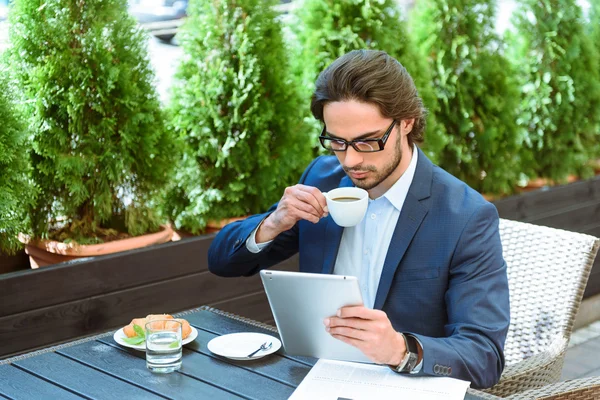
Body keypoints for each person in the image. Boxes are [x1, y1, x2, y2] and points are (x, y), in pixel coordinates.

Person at [208, 49, 510, 389]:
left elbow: (485, 357)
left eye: (367, 141)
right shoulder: (321, 178)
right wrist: (274, 222)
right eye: (337, 141)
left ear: (407, 122)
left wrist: (401, 349)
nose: (350, 160)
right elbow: (221, 262)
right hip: (314, 377)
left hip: (406, 387)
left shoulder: (465, 216)